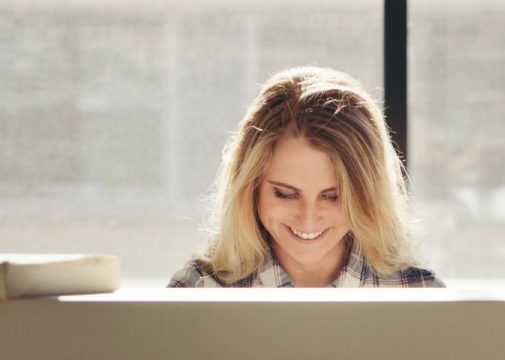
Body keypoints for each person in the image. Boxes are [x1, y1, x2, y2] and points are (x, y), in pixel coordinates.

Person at [170, 66, 443, 288]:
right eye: (285, 193)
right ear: (251, 186)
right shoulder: (197, 289)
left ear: (367, 195)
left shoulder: (420, 294)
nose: (308, 218)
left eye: (333, 196)